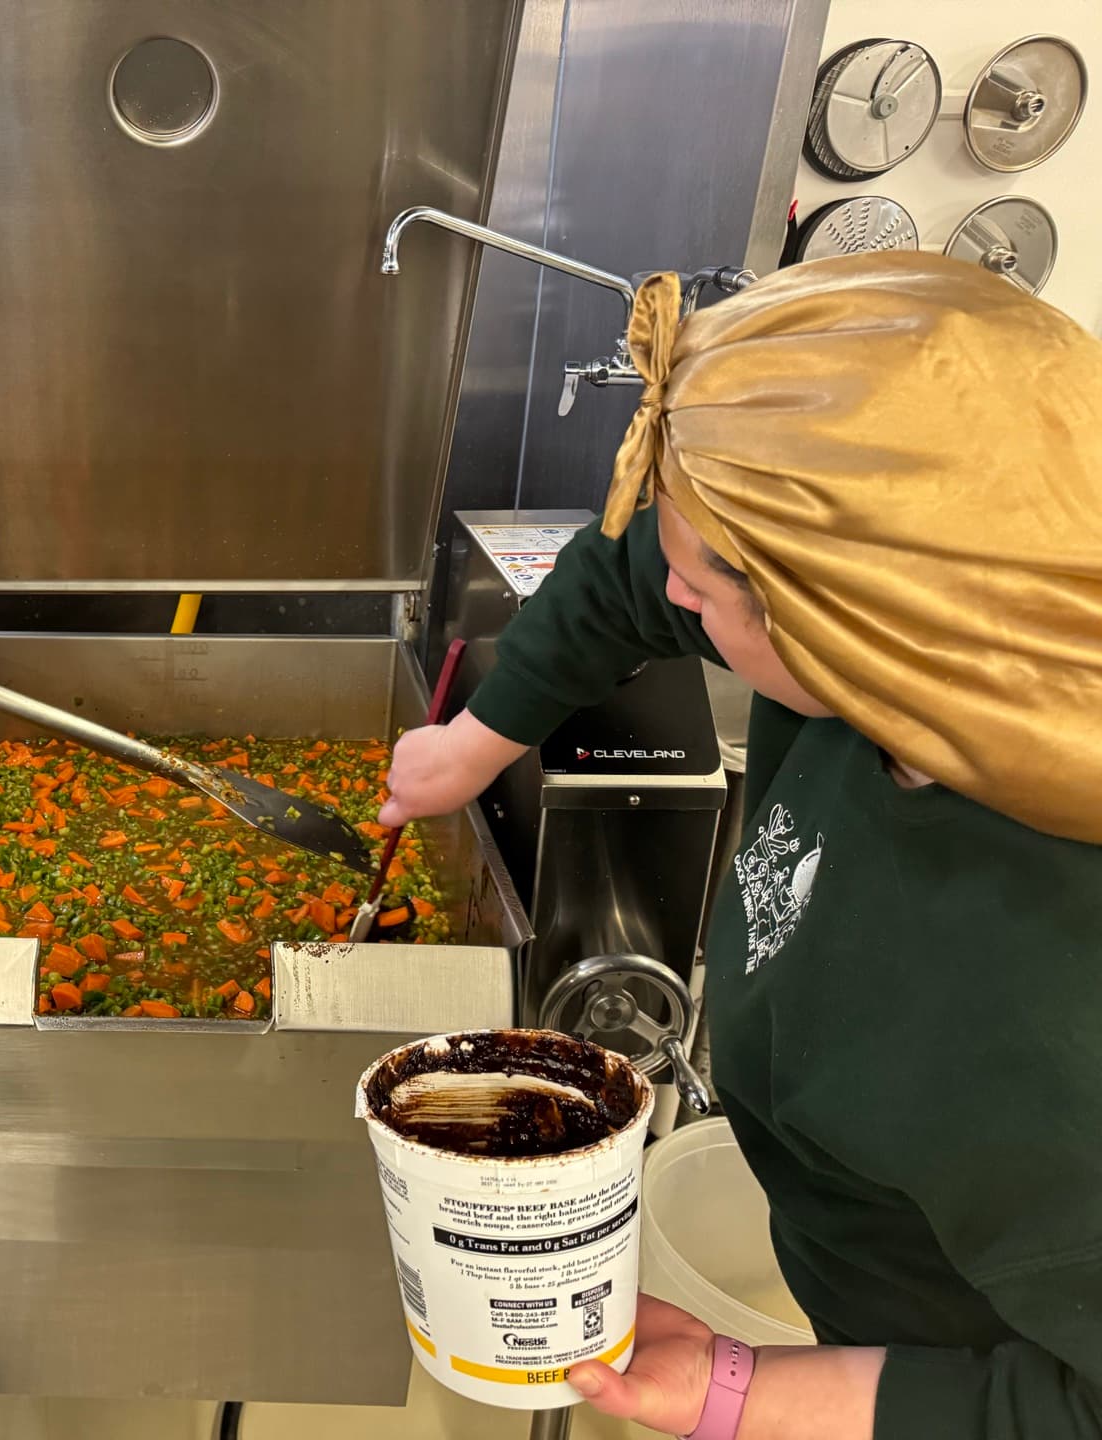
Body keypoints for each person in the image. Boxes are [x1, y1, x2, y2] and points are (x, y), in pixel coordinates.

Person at [380, 253, 1102, 1439]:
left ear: (854, 611)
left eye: (711, 591)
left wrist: (739, 1395)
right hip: (857, 1294)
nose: (677, 593)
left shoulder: (1056, 1014)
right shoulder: (897, 670)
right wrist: (473, 744)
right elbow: (633, 572)